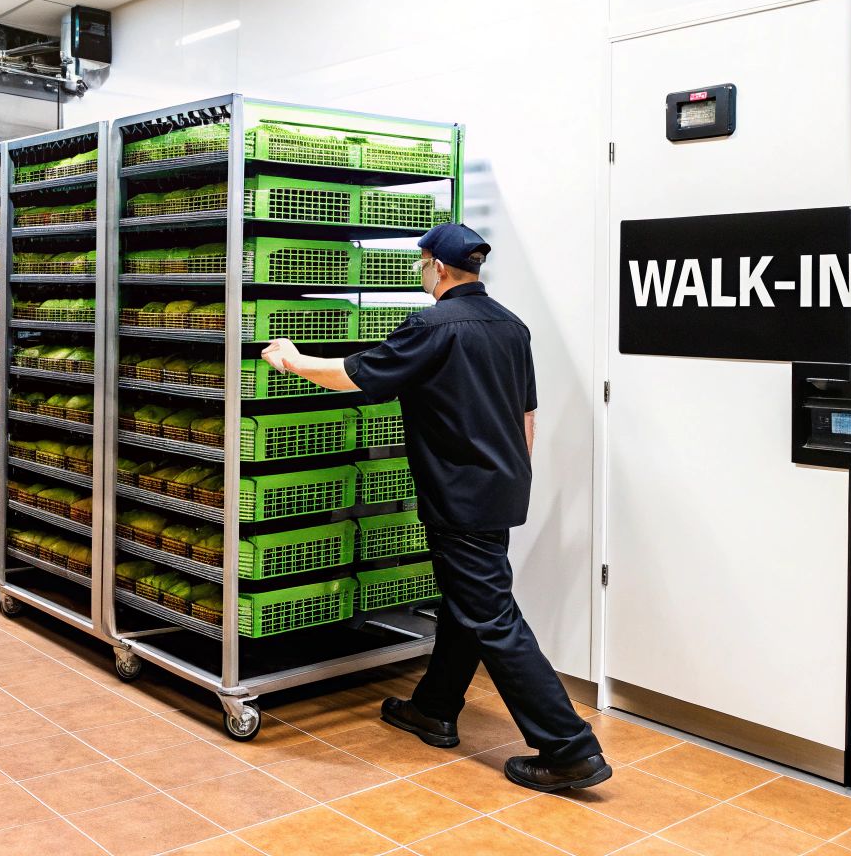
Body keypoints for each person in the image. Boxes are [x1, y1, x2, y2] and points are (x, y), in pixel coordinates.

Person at [260, 223, 610, 792]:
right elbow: (526, 418)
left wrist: (294, 360)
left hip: (458, 497)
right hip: (501, 490)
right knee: (468, 601)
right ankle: (435, 708)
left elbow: (357, 375)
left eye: (422, 264)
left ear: (437, 268)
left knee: (492, 615)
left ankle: (569, 748)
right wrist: (507, 477)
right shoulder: (511, 327)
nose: (422, 272)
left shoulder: (433, 325)